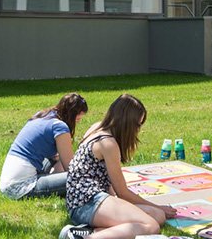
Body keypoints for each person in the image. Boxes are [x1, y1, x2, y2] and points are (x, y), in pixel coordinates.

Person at [60, 94, 176, 239]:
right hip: (86, 203)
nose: (138, 130)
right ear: (128, 123)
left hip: (83, 199)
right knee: (150, 226)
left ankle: (86, 231)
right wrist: (159, 206)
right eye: (137, 125)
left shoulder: (96, 127)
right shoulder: (108, 143)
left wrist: (157, 210)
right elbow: (122, 192)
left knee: (158, 216)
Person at [0, 93, 88, 199]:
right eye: (78, 119)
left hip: (7, 184)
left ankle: (52, 178)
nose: (78, 122)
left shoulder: (42, 116)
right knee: (80, 178)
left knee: (58, 159)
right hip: (21, 188)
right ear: (72, 115)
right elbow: (70, 167)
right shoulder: (59, 127)